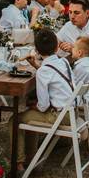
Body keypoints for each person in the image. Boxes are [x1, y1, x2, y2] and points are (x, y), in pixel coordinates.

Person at [16, 29, 75, 169]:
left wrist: (34, 106)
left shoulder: (43, 71)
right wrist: (36, 66)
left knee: (16, 120)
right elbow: (53, 74)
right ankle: (31, 158)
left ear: (36, 50)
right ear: (56, 47)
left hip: (59, 117)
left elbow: (43, 106)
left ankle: (18, 163)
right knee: (30, 114)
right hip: (72, 112)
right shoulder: (64, 63)